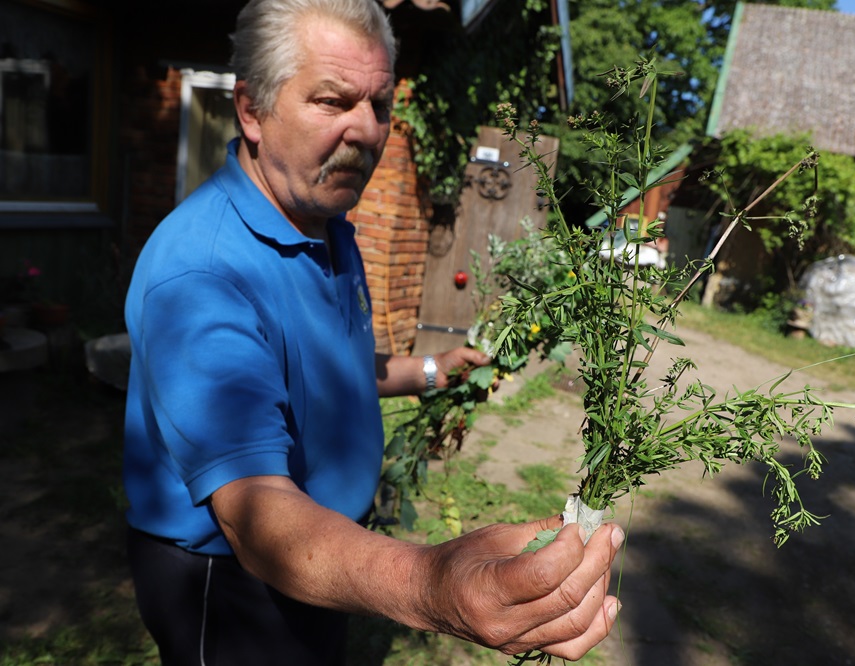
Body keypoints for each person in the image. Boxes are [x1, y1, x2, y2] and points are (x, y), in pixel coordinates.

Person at [121, 0, 624, 664]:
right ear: (251, 109)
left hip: (325, 559)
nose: (366, 130)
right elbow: (254, 514)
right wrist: (433, 583)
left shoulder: (324, 221)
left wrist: (435, 371)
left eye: (381, 105)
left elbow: (329, 372)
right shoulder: (202, 275)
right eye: (333, 101)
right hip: (237, 583)